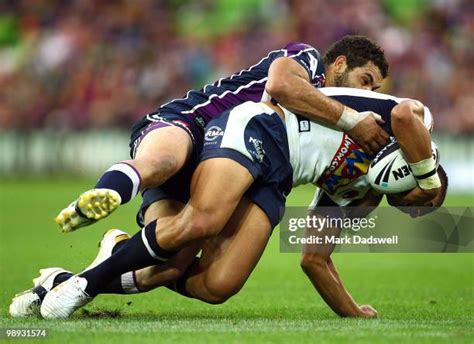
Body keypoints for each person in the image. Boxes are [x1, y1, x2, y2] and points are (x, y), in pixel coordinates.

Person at [36, 87, 446, 319]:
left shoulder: (364, 196)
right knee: (202, 223)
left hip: (279, 178)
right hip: (264, 126)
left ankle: (91, 266)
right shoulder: (412, 126)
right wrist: (428, 178)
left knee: (218, 285)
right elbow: (408, 114)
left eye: (420, 209)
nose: (420, 203)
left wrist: (353, 312)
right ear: (429, 165)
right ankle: (85, 287)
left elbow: (314, 258)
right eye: (429, 196)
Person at [54, 35, 389, 234]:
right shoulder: (308, 60)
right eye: (366, 80)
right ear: (341, 63)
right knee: (164, 161)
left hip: (218, 164)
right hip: (193, 121)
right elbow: (281, 86)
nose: (370, 92)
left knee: (166, 251)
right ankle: (102, 195)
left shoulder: (326, 125)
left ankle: (58, 285)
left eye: (376, 88)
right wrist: (349, 120)